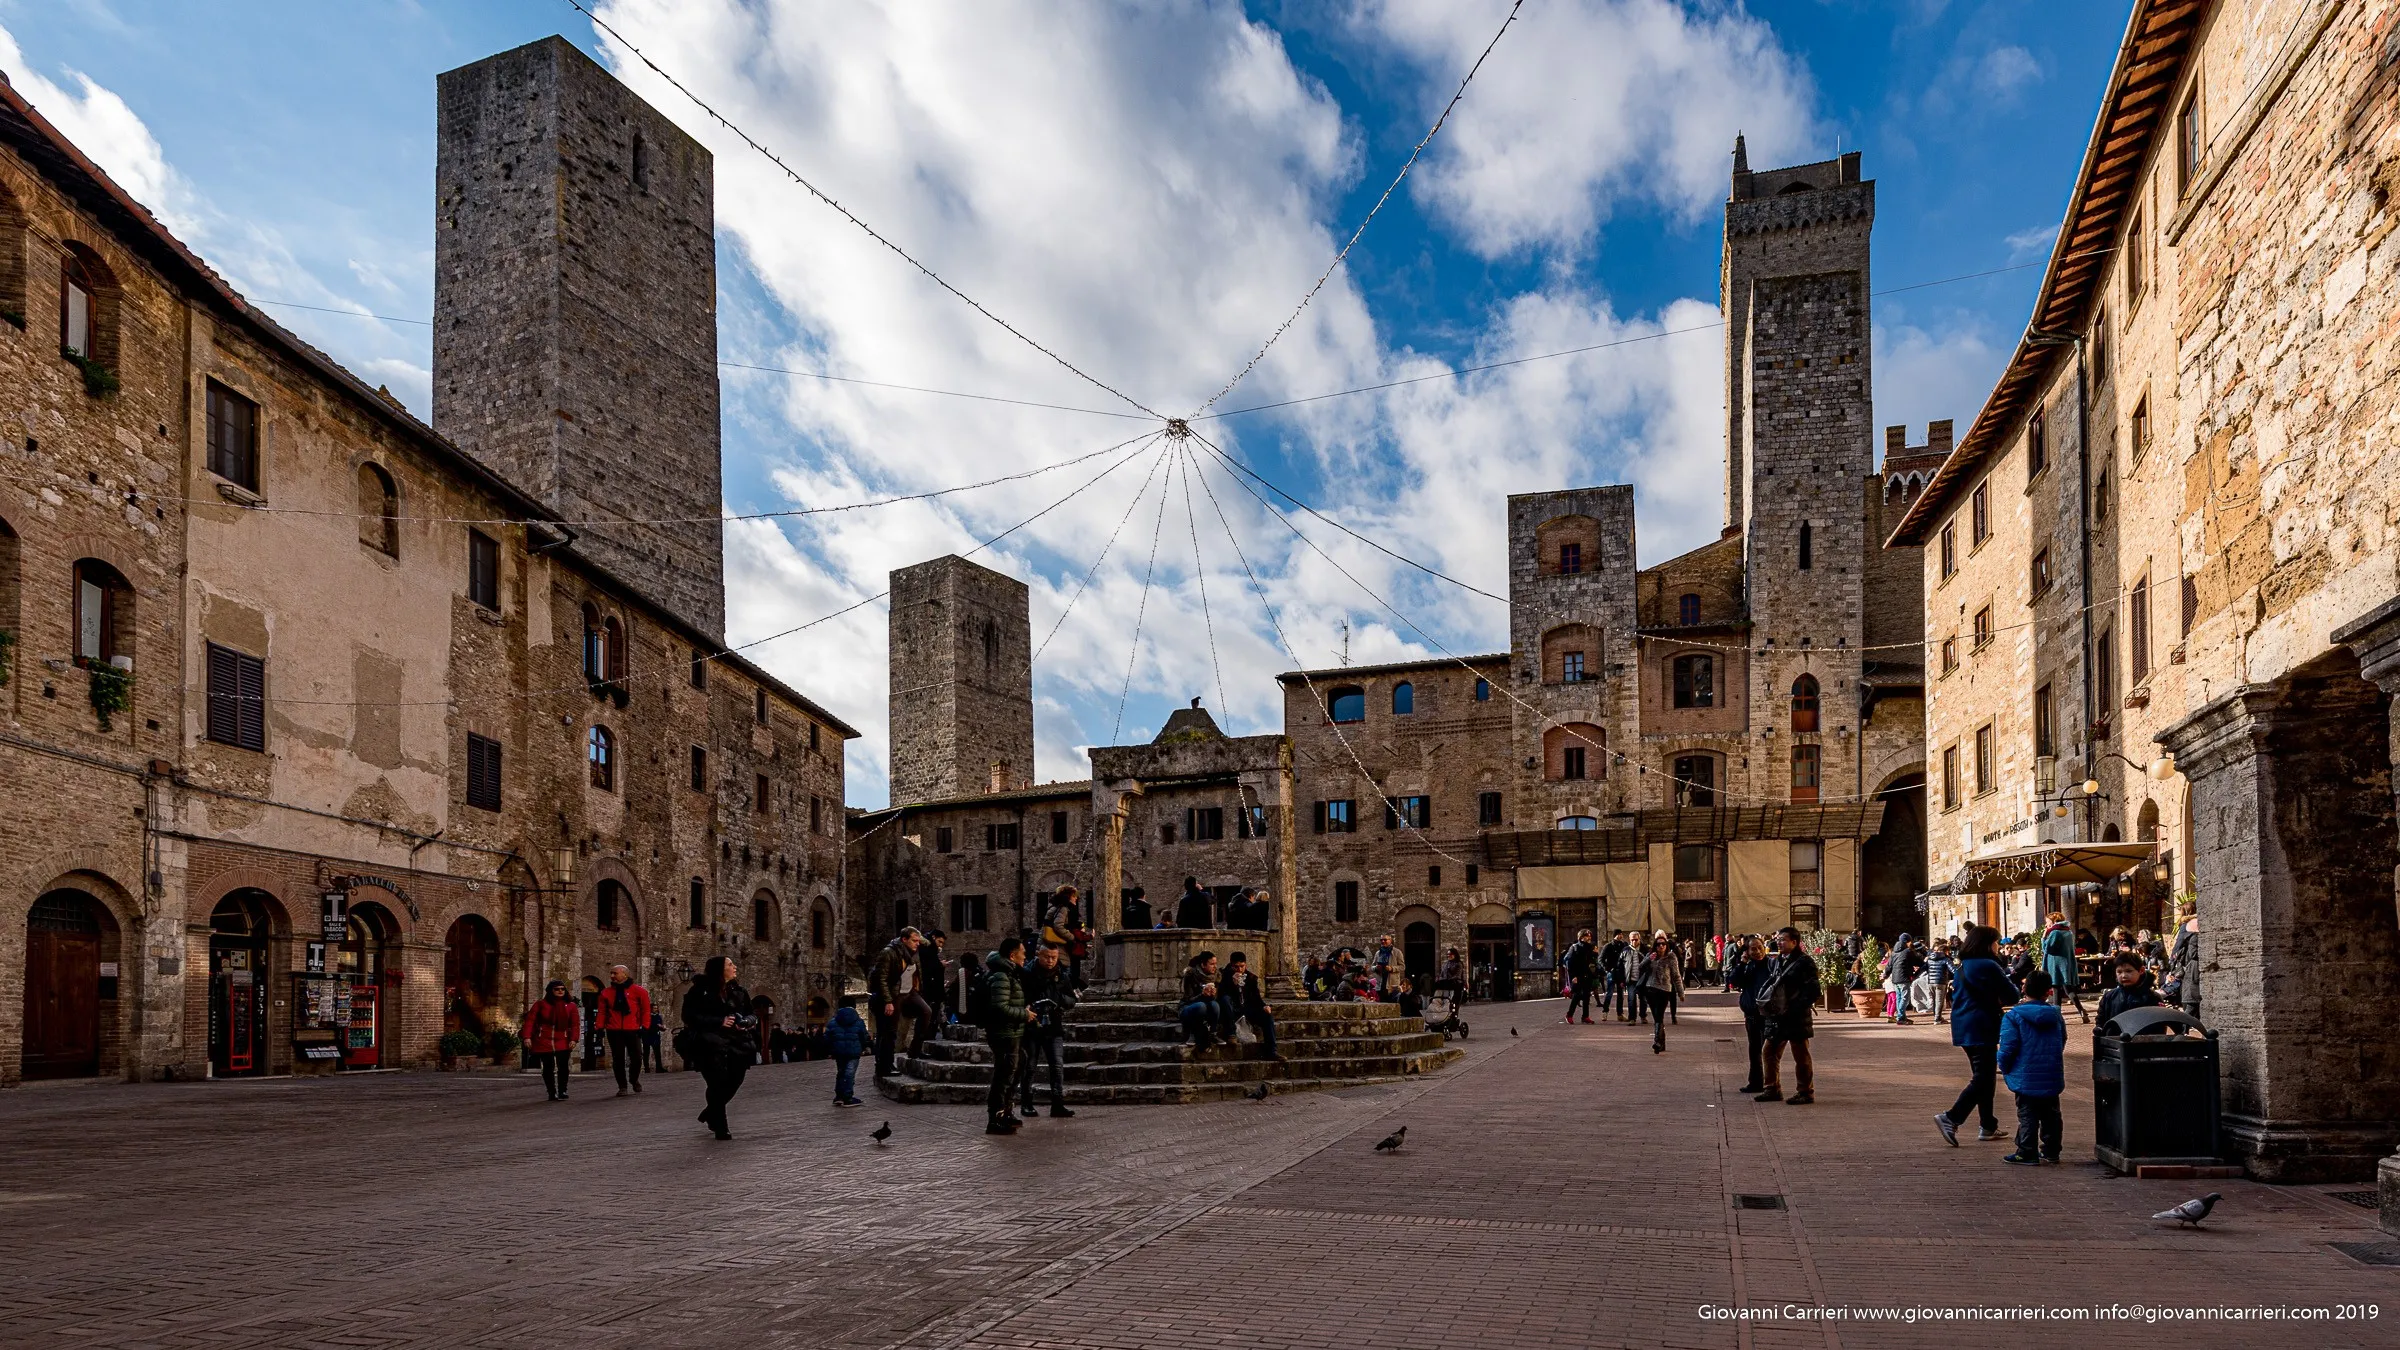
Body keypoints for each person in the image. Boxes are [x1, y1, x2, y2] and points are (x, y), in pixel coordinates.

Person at [1935, 925, 2013, 1147]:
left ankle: (1988, 1125)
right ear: (1988, 944)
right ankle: (1951, 1117)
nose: (1998, 947)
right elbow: (2012, 994)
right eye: (1996, 942)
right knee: (1982, 1077)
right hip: (1982, 1026)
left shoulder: (1963, 966)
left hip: (1964, 1026)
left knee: (1985, 1077)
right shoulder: (1989, 965)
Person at [1997, 970, 2067, 1165]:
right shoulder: (2055, 1014)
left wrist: (2003, 1066)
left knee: (2027, 1114)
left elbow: (2008, 1047)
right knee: (2051, 1114)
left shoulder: (2013, 1016)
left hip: (2024, 1074)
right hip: (2051, 1073)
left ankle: (2027, 1151)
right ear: (2048, 992)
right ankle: (2052, 1150)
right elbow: (2062, 1039)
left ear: (2024, 988)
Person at [681, 956, 755, 1140]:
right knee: (716, 1083)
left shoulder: (739, 991)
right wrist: (719, 1021)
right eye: (730, 965)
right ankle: (721, 1126)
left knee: (735, 1080)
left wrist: (745, 1022)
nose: (734, 967)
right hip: (708, 1044)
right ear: (719, 970)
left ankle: (711, 1112)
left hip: (737, 1043)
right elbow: (689, 1017)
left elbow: (751, 1013)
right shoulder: (699, 991)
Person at [980, 938, 1035, 1134]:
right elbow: (999, 1007)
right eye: (1022, 952)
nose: (1025, 956)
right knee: (1004, 1075)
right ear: (1012, 955)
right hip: (1003, 1033)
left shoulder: (1009, 973)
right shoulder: (1002, 976)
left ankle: (1006, 1112)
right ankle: (996, 1118)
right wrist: (1024, 1014)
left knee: (1017, 1066)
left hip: (1012, 1032)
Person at [1756, 927, 1817, 1104]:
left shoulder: (1805, 962)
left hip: (1796, 1017)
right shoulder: (1776, 961)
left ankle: (1805, 1091)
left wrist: (1796, 1007)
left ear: (1794, 942)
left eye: (1783, 939)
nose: (1779, 942)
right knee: (1769, 1051)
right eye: (1778, 939)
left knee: (1801, 1055)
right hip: (1778, 1016)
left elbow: (1813, 990)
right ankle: (1772, 1088)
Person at [1017, 942, 1076, 1118]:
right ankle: (1026, 1103)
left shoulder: (1062, 974)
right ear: (1038, 955)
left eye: (1054, 957)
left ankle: (1057, 1103)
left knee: (1057, 1066)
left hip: (1054, 1025)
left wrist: (1058, 1000)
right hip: (1032, 1026)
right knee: (1029, 1066)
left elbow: (1071, 999)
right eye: (1047, 957)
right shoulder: (1027, 974)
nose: (1050, 961)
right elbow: (1019, 997)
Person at [868, 927, 929, 1078]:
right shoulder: (889, 952)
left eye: (918, 941)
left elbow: (917, 972)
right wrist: (888, 1001)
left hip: (909, 992)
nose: (917, 943)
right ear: (904, 940)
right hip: (894, 994)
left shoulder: (914, 953)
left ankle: (915, 1049)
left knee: (926, 1012)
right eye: (914, 941)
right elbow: (881, 979)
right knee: (889, 1031)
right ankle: (885, 1065)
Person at [595, 964, 654, 1097]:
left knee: (637, 1057)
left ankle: (633, 1079)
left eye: (615, 973)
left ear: (625, 975)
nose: (612, 976)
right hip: (614, 1030)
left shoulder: (639, 991)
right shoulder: (606, 993)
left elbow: (645, 1010)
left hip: (632, 1029)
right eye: (611, 973)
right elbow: (602, 1012)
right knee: (618, 1059)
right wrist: (599, 1027)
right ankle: (622, 1086)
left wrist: (645, 1026)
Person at [1727, 935, 1772, 1094]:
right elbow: (1733, 980)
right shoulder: (1747, 966)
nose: (1758, 951)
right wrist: (1743, 962)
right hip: (1752, 1014)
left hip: (1768, 1014)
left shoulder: (1771, 965)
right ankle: (1755, 1082)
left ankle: (1771, 1084)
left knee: (1768, 1050)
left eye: (1760, 947)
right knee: (1754, 1050)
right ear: (1746, 951)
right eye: (1753, 948)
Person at [523, 979, 579, 1101]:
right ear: (551, 991)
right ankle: (551, 1092)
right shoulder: (541, 1004)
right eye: (557, 989)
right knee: (548, 1067)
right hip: (544, 1040)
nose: (560, 991)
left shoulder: (571, 1005)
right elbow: (530, 1021)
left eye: (562, 989)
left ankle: (562, 1090)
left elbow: (575, 1024)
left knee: (563, 1066)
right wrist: (527, 1037)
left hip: (562, 1039)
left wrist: (574, 1039)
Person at [1221, 950, 1279, 1059]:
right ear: (1231, 965)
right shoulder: (1224, 975)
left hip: (1247, 1008)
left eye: (1242, 966)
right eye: (1236, 967)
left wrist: (1264, 1006)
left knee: (1267, 1017)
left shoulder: (1251, 978)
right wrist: (1232, 984)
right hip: (1232, 1009)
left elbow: (1256, 997)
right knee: (1226, 999)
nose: (1239, 970)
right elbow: (1221, 995)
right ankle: (1231, 1033)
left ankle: (1272, 1050)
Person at [1634, 933, 1682, 1053]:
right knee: (1657, 1017)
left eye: (1663, 944)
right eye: (1658, 944)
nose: (1661, 946)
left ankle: (1657, 1041)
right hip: (1650, 989)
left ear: (1666, 945)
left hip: (1664, 990)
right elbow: (1640, 967)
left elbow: (1676, 976)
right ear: (1655, 946)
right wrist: (1648, 959)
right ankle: (1661, 1043)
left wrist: (1680, 992)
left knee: (1659, 1016)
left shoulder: (1671, 957)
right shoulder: (1651, 955)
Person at [2039, 911, 2088, 1024]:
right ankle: (2081, 1010)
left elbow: (2048, 949)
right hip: (2067, 964)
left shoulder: (2055, 933)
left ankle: (2057, 1016)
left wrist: (2043, 938)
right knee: (2069, 990)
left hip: (2056, 965)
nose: (2046, 925)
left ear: (2054, 921)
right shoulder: (2068, 932)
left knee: (2056, 990)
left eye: (2048, 922)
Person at [1179, 951, 1231, 1049]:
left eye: (1215, 964)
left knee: (1214, 1004)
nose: (1215, 967)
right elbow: (1188, 999)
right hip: (1188, 1008)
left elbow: (1216, 999)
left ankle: (1213, 1033)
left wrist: (1213, 995)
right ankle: (1192, 1034)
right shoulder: (1191, 975)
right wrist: (1202, 995)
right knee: (1200, 1006)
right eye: (1211, 964)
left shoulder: (1217, 976)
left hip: (1207, 1009)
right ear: (1203, 965)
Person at [2096, 950, 2161, 1028]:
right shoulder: (2109, 997)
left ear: (2141, 970)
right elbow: (2100, 1022)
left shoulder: (2152, 998)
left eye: (2129, 971)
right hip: (2113, 1039)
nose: (2123, 975)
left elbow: (2158, 1027)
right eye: (2119, 972)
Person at [827, 993, 868, 1106]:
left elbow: (828, 1037)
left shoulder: (833, 1021)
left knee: (841, 1072)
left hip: (839, 1052)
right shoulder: (858, 1021)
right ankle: (848, 1097)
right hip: (853, 1051)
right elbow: (863, 1036)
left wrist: (831, 1050)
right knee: (849, 1073)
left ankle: (839, 1096)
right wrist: (864, 1047)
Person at [1563, 929, 1599, 1024]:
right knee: (1577, 995)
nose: (1589, 937)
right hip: (1578, 975)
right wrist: (1573, 976)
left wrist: (1595, 954)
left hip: (1587, 974)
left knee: (1587, 996)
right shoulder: (1575, 947)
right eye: (1587, 936)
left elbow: (1591, 961)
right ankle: (1569, 1014)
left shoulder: (1590, 947)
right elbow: (1570, 963)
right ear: (1581, 937)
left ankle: (1585, 1016)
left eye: (1589, 935)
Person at [2171, 909, 2202, 1021]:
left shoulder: (2188, 937)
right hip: (2193, 973)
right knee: (2190, 1006)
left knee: (2191, 1006)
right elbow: (2194, 954)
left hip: (2191, 974)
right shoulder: (2194, 938)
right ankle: (2182, 1030)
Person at [919, 931, 950, 1033]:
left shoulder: (930, 948)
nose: (940, 945)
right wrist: (940, 965)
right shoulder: (928, 948)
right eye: (939, 942)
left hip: (932, 986)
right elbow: (928, 967)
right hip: (930, 987)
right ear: (933, 937)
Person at [1599, 931, 1630, 1017]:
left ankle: (1620, 1014)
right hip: (1611, 973)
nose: (1620, 936)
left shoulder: (1624, 945)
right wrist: (1607, 969)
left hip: (1621, 973)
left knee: (1621, 994)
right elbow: (1600, 959)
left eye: (1621, 934)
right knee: (1610, 993)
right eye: (1618, 934)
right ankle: (1605, 1011)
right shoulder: (1608, 946)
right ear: (1614, 936)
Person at [1926, 938, 1957, 1025]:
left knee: (1934, 1000)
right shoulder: (1945, 959)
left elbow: (1924, 968)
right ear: (1946, 952)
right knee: (1939, 1000)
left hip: (1930, 981)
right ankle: (1937, 1019)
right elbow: (1953, 970)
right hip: (1940, 981)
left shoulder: (1930, 959)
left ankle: (1936, 1016)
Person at [643, 1007, 666, 1073]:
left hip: (656, 1036)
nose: (656, 1009)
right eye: (654, 1008)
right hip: (647, 1036)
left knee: (657, 1053)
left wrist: (662, 1027)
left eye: (656, 1008)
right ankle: (646, 1068)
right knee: (646, 1053)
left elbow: (661, 1026)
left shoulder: (658, 1016)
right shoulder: (647, 1016)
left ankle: (659, 1068)